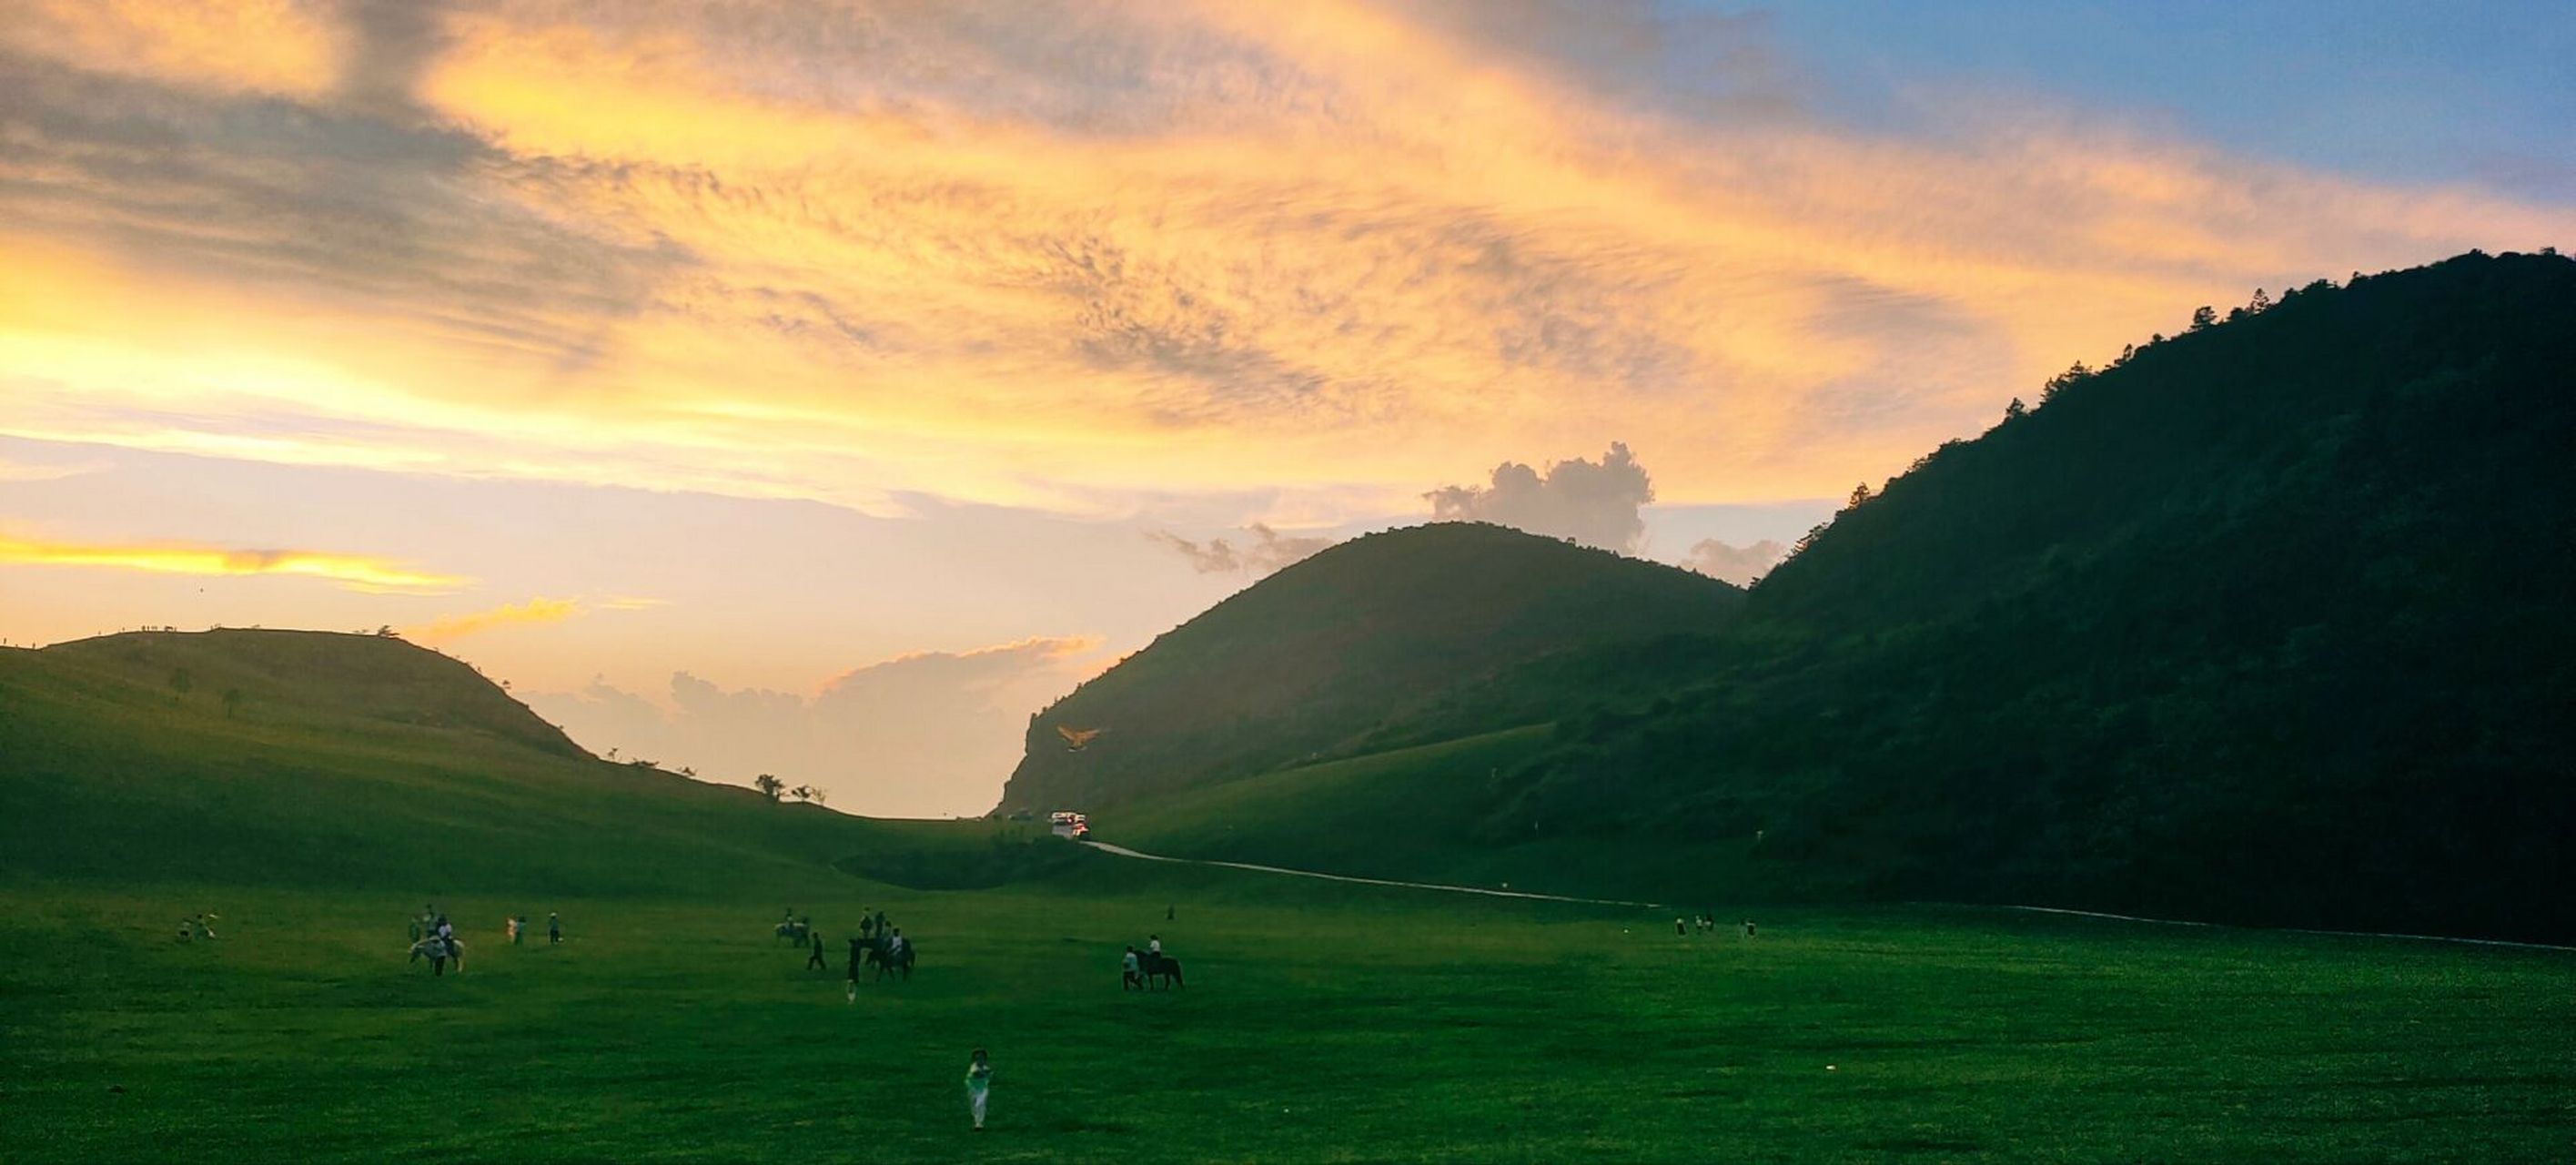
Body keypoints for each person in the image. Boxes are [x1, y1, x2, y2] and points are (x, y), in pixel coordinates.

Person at [964, 1048, 993, 1131]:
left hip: (983, 1089)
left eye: (982, 1058)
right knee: (973, 1105)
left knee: (980, 1104)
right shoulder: (973, 1067)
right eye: (978, 1059)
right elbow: (977, 1074)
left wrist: (988, 1072)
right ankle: (975, 1116)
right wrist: (986, 1072)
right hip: (972, 1089)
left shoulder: (986, 1068)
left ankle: (979, 1123)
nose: (980, 1061)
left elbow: (989, 1075)